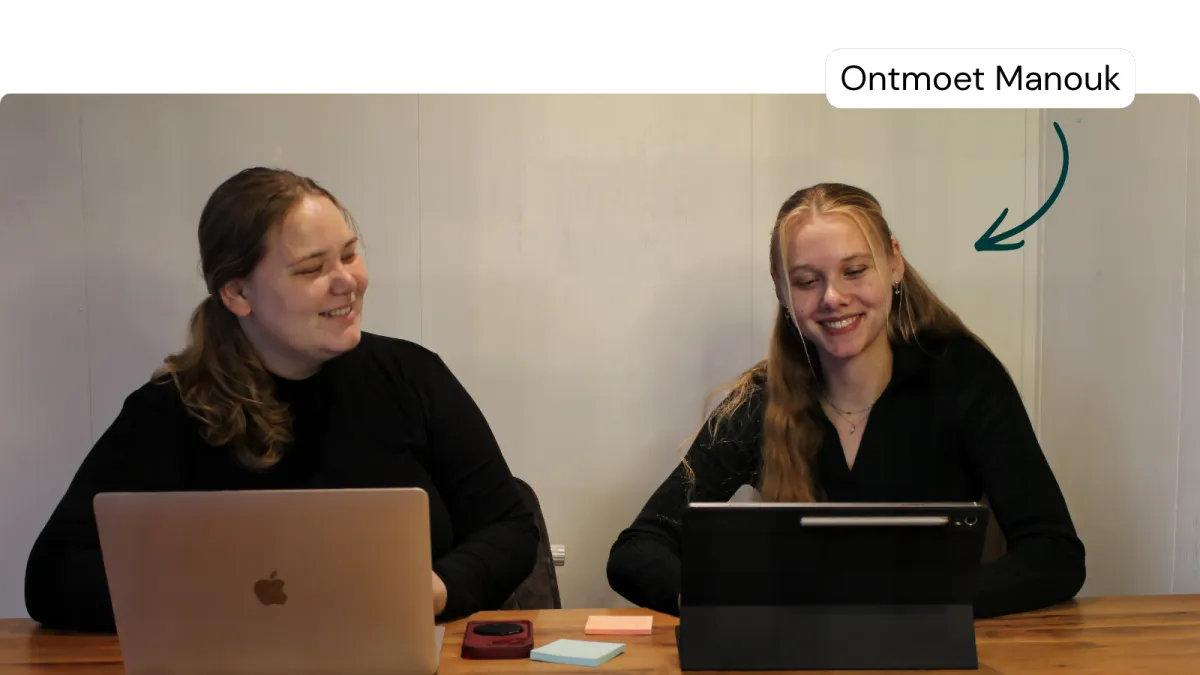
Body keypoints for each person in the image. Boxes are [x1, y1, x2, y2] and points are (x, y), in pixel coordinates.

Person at [24, 167, 539, 632]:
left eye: (349, 254)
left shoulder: (410, 375)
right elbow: (54, 576)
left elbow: (510, 527)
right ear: (237, 294)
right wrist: (215, 597)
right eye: (312, 268)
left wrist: (433, 591)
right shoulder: (170, 409)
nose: (348, 282)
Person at [605, 182, 1086, 619]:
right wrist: (718, 598)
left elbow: (1055, 555)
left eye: (854, 271)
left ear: (894, 263)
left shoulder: (964, 378)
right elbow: (637, 549)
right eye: (806, 281)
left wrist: (919, 600)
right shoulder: (758, 403)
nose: (833, 297)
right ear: (781, 290)